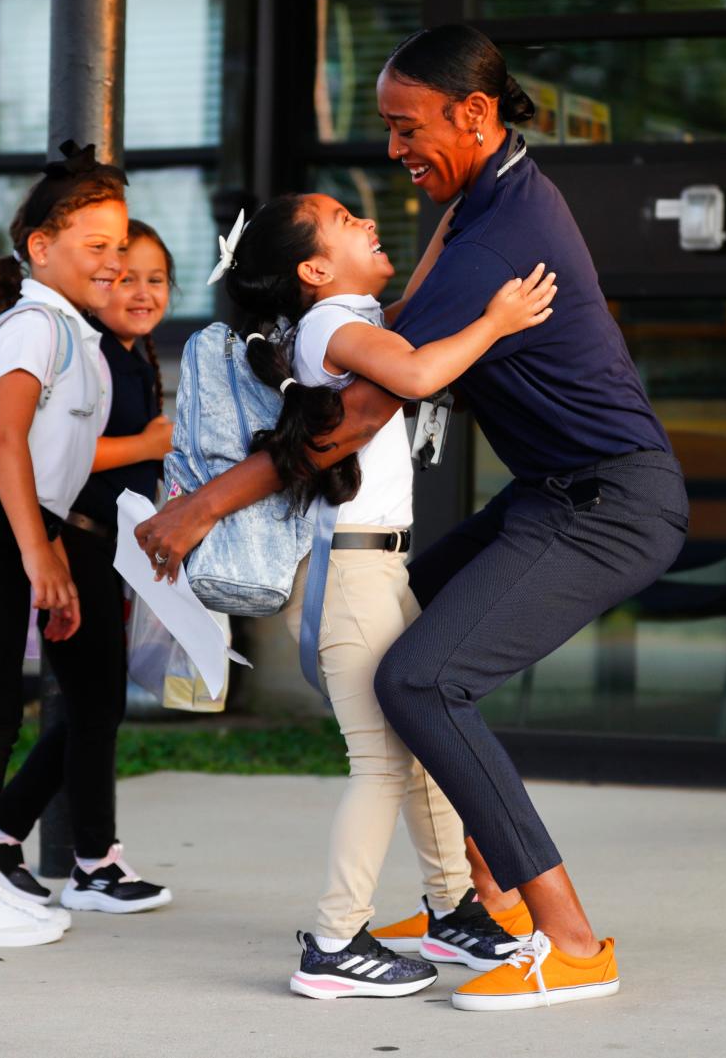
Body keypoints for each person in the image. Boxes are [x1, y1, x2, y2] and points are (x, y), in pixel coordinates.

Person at [135, 25, 688, 1011]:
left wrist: (200, 506)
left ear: (471, 114)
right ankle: (481, 907)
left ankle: (567, 937)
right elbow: (415, 321)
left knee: (423, 676)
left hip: (610, 502)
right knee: (409, 631)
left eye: (405, 126)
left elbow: (355, 416)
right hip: (554, 491)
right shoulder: (484, 197)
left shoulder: (499, 233)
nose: (392, 149)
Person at [216, 192, 556, 999]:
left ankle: (450, 911)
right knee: (380, 761)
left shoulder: (346, 319)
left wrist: (450, 224)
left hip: (380, 568)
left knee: (425, 745)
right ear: (313, 268)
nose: (366, 219)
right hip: (351, 573)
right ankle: (335, 940)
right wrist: (498, 321)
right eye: (343, 218)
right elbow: (417, 368)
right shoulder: (334, 330)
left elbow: (409, 306)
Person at [0, 142, 128, 948]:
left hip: (13, 526)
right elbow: (6, 439)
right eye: (95, 248)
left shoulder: (73, 331)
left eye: (120, 246)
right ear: (41, 249)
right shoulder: (36, 323)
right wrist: (38, 551)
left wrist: (51, 553)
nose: (112, 263)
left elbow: (47, 463)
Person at [0, 221, 175, 915]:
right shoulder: (87, 352)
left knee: (94, 704)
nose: (140, 289)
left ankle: (3, 833)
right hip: (72, 539)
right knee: (94, 704)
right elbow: (57, 449)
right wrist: (148, 442)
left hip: (109, 546)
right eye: (125, 275)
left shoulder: (132, 356)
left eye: (156, 279)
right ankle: (91, 860)